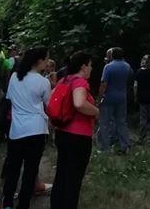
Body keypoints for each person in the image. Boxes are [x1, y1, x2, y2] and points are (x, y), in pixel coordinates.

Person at [1, 47, 51, 209]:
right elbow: (48, 104)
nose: (48, 62)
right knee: (30, 169)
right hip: (36, 129)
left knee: (13, 168)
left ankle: (7, 201)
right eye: (46, 59)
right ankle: (23, 203)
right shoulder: (43, 82)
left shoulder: (15, 77)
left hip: (17, 130)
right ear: (38, 61)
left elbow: (9, 99)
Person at [51, 52, 100, 209]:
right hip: (78, 136)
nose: (91, 69)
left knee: (62, 174)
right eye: (90, 65)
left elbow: (51, 100)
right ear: (84, 66)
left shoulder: (64, 79)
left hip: (62, 132)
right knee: (74, 178)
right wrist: (96, 111)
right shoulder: (80, 82)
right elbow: (79, 103)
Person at [97, 47, 132, 154]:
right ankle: (125, 146)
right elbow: (130, 78)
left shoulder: (108, 67)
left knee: (105, 123)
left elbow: (104, 84)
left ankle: (105, 148)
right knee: (122, 122)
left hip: (109, 97)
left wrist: (99, 98)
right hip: (122, 97)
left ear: (112, 55)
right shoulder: (127, 66)